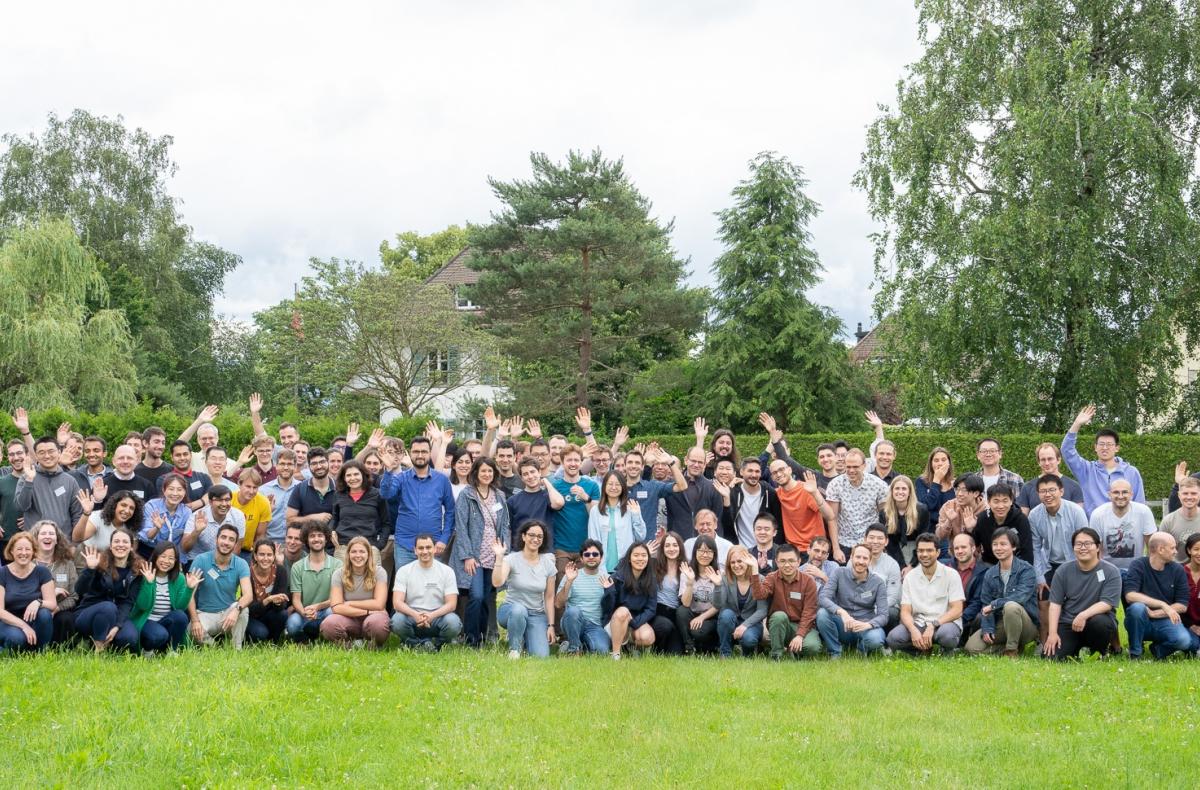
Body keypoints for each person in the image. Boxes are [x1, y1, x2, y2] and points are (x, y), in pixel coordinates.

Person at [451, 456, 511, 648]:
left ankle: (482, 638)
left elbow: (505, 525)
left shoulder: (499, 495)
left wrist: (503, 552)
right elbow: (460, 526)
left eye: (490, 471)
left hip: (494, 556)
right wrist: (467, 556)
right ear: (475, 472)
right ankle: (471, 639)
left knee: (487, 597)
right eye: (483, 471)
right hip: (474, 556)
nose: (486, 474)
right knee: (475, 596)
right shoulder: (467, 495)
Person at [1042, 527, 1122, 659]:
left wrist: (1083, 615)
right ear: (1073, 548)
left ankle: (1099, 652)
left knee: (1100, 623)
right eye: (1078, 544)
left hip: (1095, 621)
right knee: (1051, 658)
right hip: (1068, 623)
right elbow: (1055, 604)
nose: (1083, 547)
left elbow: (1107, 603)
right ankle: (1075, 649)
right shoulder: (1063, 571)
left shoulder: (1111, 571)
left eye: (1088, 544)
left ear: (1097, 547)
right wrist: (1052, 634)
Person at [378, 438, 455, 567]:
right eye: (416, 451)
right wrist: (388, 470)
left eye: (424, 451)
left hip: (433, 546)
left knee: (432, 585)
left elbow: (450, 511)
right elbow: (386, 494)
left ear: (430, 453)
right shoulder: (400, 478)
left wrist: (444, 539)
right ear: (410, 453)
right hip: (405, 545)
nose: (420, 455)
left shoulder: (441, 480)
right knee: (404, 585)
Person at [964, 528, 1039, 656]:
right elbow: (985, 603)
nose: (998, 548)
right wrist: (987, 627)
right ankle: (1009, 647)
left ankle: (1011, 650)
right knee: (971, 648)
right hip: (1002, 623)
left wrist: (995, 605)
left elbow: (1020, 597)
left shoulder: (1026, 570)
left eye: (1003, 544)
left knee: (1011, 606)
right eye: (995, 544)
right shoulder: (990, 573)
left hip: (1026, 624)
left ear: (1013, 547)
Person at [886, 533, 965, 654]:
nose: (924, 554)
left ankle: (945, 650)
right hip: (919, 623)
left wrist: (933, 625)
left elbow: (957, 609)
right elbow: (905, 611)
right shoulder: (910, 577)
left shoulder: (951, 574)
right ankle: (922, 648)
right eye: (920, 550)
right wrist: (913, 630)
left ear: (938, 552)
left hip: (943, 623)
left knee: (947, 636)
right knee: (893, 639)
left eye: (929, 550)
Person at [1062, 405, 1145, 515]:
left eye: (1109, 444)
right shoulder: (1086, 470)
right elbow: (1067, 450)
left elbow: (1140, 504)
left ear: (1117, 448)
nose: (1105, 448)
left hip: (1124, 528)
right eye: (1101, 444)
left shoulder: (1131, 472)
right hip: (1094, 528)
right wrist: (1077, 424)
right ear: (1095, 447)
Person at [1123, 532, 1193, 660]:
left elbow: (1182, 605)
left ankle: (1158, 650)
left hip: (1165, 620)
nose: (1176, 551)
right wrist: (1162, 604)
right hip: (1141, 620)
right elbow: (1130, 595)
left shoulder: (1178, 570)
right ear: (1160, 549)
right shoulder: (1138, 565)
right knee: (1137, 608)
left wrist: (1157, 613)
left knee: (1184, 641)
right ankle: (1135, 653)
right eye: (1172, 548)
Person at [492, 520, 557, 658]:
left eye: (540, 536)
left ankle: (525, 637)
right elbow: (497, 582)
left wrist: (551, 625)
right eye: (531, 535)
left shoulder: (548, 564)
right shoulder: (511, 559)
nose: (535, 539)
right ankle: (514, 650)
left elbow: (549, 597)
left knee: (541, 656)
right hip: (511, 610)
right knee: (519, 610)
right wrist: (499, 558)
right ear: (523, 536)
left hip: (536, 614)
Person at [390, 533, 463, 650]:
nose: (425, 551)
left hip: (437, 617)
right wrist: (415, 615)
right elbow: (397, 603)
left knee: (453, 623)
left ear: (434, 549)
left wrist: (431, 616)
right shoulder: (404, 571)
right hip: (412, 616)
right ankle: (415, 644)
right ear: (415, 550)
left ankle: (436, 644)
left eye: (428, 547)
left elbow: (451, 604)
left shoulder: (447, 571)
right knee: (397, 621)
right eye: (420, 548)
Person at [815, 544, 888, 658]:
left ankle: (861, 651)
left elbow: (883, 615)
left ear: (870, 561)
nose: (861, 561)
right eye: (858, 557)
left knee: (876, 639)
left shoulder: (878, 582)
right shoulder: (839, 573)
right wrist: (842, 612)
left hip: (865, 626)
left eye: (865, 558)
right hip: (843, 624)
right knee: (822, 614)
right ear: (851, 558)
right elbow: (823, 597)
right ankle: (835, 652)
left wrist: (868, 624)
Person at [73, 530, 140, 653]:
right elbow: (79, 590)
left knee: (129, 638)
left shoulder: (135, 572)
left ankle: (107, 643)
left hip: (116, 616)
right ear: (110, 546)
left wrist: (117, 626)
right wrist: (90, 570)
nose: (120, 544)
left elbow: (128, 602)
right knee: (108, 607)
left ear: (131, 547)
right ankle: (99, 649)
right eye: (116, 541)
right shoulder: (99, 564)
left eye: (125, 542)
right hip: (88, 615)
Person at [188, 524, 253, 648]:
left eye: (231, 539)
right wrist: (195, 621)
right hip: (206, 614)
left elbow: (248, 595)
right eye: (223, 537)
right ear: (216, 539)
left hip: (228, 613)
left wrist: (236, 610)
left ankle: (236, 649)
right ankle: (215, 647)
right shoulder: (200, 560)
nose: (226, 542)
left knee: (243, 609)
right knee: (191, 629)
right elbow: (189, 594)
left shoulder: (241, 563)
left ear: (235, 544)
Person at [752, 543, 822, 660]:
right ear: (777, 562)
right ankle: (777, 655)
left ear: (799, 562)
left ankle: (792, 649)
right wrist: (754, 571)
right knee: (779, 616)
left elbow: (809, 612)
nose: (787, 565)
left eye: (791, 561)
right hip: (779, 625)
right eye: (782, 561)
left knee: (812, 648)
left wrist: (800, 635)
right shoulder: (772, 578)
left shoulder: (808, 581)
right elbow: (759, 595)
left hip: (802, 625)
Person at [320, 536, 390, 648]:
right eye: (354, 552)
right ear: (348, 555)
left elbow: (379, 604)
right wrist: (368, 611)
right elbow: (337, 607)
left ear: (369, 554)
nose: (358, 555)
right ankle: (349, 645)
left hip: (374, 617)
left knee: (378, 625)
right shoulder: (338, 574)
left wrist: (350, 603)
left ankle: (373, 645)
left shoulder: (379, 572)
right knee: (328, 625)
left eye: (362, 551)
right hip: (349, 617)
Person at [131, 543, 200, 653]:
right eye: (163, 556)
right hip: (147, 620)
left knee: (181, 616)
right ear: (156, 556)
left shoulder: (180, 578)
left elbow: (179, 607)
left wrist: (189, 589)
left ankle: (172, 650)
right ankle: (147, 650)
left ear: (175, 561)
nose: (166, 561)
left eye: (171, 558)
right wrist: (148, 583)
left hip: (165, 620)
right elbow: (143, 606)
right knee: (159, 635)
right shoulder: (145, 574)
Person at [824, 449, 888, 563]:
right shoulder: (835, 484)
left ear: (864, 465)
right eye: (848, 467)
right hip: (844, 543)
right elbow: (832, 518)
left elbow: (884, 517)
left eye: (855, 467)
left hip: (870, 544)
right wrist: (836, 549)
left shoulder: (879, 485)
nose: (851, 470)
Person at [550, 445, 601, 577]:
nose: (573, 464)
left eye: (576, 460)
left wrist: (586, 498)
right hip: (561, 548)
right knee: (561, 587)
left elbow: (596, 515)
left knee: (583, 589)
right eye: (569, 460)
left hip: (585, 548)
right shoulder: (555, 486)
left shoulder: (591, 485)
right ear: (562, 463)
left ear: (581, 462)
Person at [0, 532, 56, 652]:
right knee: (17, 639)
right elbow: (0, 611)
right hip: (8, 622)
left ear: (33, 552)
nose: (24, 553)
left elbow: (52, 604)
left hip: (33, 621)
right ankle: (7, 649)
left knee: (45, 614)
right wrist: (23, 626)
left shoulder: (42, 572)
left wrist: (38, 602)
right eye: (19, 549)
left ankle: (40, 652)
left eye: (28, 549)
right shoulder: (2, 573)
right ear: (11, 551)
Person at [601, 542, 657, 659]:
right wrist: (609, 592)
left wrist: (634, 622)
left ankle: (630, 648)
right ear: (629, 559)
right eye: (636, 555)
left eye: (643, 555)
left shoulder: (651, 579)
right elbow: (607, 609)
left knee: (647, 637)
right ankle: (616, 654)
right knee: (623, 611)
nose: (640, 558)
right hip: (616, 622)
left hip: (635, 621)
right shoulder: (616, 577)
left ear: (648, 558)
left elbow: (651, 609)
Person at [15, 436, 83, 534]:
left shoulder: (70, 481)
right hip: (34, 542)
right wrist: (29, 481)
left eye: (51, 451)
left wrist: (73, 544)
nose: (47, 456)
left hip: (63, 543)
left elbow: (77, 514)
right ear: (36, 456)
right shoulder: (26, 477)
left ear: (59, 452)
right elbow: (21, 507)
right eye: (41, 452)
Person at [287, 523, 342, 642]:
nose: (316, 539)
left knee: (333, 611)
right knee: (292, 625)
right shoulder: (298, 566)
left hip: (327, 610)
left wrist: (317, 607)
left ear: (326, 538)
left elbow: (337, 598)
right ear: (306, 540)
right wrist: (304, 612)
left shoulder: (337, 565)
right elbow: (296, 599)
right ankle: (306, 640)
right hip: (305, 611)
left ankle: (326, 636)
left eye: (320, 535)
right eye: (312, 536)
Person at [557, 538, 612, 655]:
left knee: (602, 652)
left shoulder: (607, 578)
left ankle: (577, 645)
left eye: (595, 554)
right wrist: (569, 581)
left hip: (595, 626)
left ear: (601, 558)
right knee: (573, 611)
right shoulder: (572, 575)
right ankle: (574, 650)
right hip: (573, 621)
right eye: (587, 554)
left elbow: (611, 607)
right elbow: (558, 604)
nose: (591, 557)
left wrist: (609, 591)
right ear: (581, 559)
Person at [767, 464, 832, 561]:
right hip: (792, 551)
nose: (779, 474)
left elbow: (829, 515)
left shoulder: (806, 489)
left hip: (814, 549)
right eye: (774, 472)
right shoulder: (777, 494)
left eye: (781, 469)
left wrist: (815, 493)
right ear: (772, 477)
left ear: (790, 470)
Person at [1088, 479, 1156, 571]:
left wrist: (1148, 570)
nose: (1120, 496)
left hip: (1136, 569)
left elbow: (1151, 544)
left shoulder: (1143, 512)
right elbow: (1096, 549)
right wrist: (1101, 572)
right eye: (1116, 492)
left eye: (1125, 492)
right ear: (1109, 494)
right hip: (1107, 570)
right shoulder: (1098, 514)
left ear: (1131, 494)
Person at [714, 545, 767, 658]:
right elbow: (718, 605)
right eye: (732, 562)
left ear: (747, 561)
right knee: (726, 615)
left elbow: (762, 610)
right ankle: (725, 654)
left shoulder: (760, 579)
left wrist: (744, 625)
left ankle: (747, 654)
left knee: (749, 639)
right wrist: (717, 586)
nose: (736, 565)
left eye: (740, 561)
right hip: (730, 621)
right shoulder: (724, 579)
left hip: (751, 623)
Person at [587, 471, 646, 573]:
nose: (614, 487)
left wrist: (637, 515)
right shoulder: (595, 511)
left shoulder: (630, 509)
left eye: (618, 484)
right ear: (604, 486)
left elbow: (641, 537)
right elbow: (593, 540)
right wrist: (599, 566)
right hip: (602, 568)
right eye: (610, 484)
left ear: (623, 487)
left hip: (626, 568)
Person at [623, 445, 686, 539]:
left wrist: (670, 462)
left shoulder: (653, 486)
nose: (633, 465)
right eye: (630, 462)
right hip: (624, 545)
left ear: (642, 466)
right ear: (624, 465)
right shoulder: (617, 488)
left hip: (648, 546)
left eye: (637, 463)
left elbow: (682, 486)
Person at [718, 457, 781, 549]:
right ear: (741, 472)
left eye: (757, 471)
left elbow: (778, 522)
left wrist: (776, 549)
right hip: (742, 550)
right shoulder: (733, 493)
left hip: (766, 550)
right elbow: (727, 524)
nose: (754, 475)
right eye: (750, 471)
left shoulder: (769, 492)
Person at [663, 447, 724, 540]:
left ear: (705, 464)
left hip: (703, 544)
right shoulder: (671, 486)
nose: (696, 465)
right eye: (693, 461)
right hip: (677, 543)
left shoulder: (713, 488)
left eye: (700, 462)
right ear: (686, 460)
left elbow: (718, 521)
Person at [31, 521, 77, 642]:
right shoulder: (28, 563)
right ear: (35, 539)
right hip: (32, 610)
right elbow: (22, 594)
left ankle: (59, 652)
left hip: (59, 611)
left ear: (57, 540)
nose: (47, 536)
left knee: (66, 618)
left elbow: (73, 596)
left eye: (51, 533)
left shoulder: (67, 565)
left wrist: (56, 608)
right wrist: (51, 594)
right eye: (43, 533)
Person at [677, 534, 722, 654]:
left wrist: (702, 617)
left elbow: (720, 604)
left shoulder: (720, 573)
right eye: (701, 551)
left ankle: (711, 647)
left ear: (714, 554)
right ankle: (689, 648)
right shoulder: (687, 572)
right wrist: (690, 582)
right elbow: (686, 603)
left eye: (708, 551)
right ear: (695, 552)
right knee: (681, 611)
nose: (705, 555)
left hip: (711, 616)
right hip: (692, 613)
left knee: (698, 632)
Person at [506, 458, 565, 547]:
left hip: (545, 550)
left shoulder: (548, 496)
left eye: (532, 472)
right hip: (521, 551)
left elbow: (558, 503)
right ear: (521, 478)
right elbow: (508, 529)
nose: (530, 476)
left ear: (539, 472)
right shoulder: (512, 501)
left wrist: (546, 482)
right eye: (525, 474)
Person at [972, 483, 1033, 565]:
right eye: (996, 501)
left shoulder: (1020, 519)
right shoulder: (983, 518)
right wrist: (970, 529)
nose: (1001, 506)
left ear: (1011, 501)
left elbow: (1026, 551)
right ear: (989, 502)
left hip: (1014, 564)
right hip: (989, 563)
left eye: (1005, 501)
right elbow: (974, 544)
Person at [1016, 442, 1084, 515]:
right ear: (1039, 462)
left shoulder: (1074, 486)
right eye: (1043, 460)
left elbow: (1078, 515)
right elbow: (1023, 518)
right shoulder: (1027, 487)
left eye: (1050, 459)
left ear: (1058, 460)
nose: (1047, 463)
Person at [182, 485, 244, 564]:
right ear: (210, 502)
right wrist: (196, 531)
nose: (224, 504)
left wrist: (224, 565)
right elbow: (185, 548)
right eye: (219, 500)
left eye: (227, 500)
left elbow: (237, 547)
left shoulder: (238, 516)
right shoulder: (197, 516)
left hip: (225, 560)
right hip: (198, 559)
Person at [139, 474, 196, 561]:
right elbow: (146, 537)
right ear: (164, 490)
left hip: (173, 556)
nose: (175, 493)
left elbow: (183, 543)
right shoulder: (152, 506)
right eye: (171, 489)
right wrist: (156, 528)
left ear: (184, 492)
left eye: (179, 490)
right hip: (150, 552)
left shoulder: (186, 512)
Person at [946, 532, 990, 641]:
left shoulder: (984, 571)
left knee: (980, 616)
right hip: (944, 614)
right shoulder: (945, 568)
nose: (960, 551)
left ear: (973, 548)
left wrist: (958, 619)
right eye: (956, 548)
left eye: (963, 547)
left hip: (967, 618)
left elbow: (977, 603)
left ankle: (965, 640)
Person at [286, 447, 338, 540]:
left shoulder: (340, 488)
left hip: (334, 545)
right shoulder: (300, 489)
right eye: (314, 463)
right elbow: (289, 521)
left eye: (322, 462)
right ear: (308, 467)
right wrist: (313, 518)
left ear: (328, 463)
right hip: (307, 544)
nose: (319, 466)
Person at [246, 539, 290, 644]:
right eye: (262, 554)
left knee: (282, 614)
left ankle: (274, 641)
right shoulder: (247, 573)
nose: (266, 558)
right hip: (251, 616)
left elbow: (281, 606)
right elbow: (249, 608)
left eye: (269, 555)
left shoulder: (280, 571)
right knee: (260, 634)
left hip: (270, 613)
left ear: (274, 556)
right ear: (255, 556)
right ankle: (250, 637)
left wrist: (278, 602)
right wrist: (268, 600)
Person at [650, 532, 687, 655]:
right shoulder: (654, 565)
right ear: (663, 548)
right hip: (657, 611)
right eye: (667, 546)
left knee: (676, 654)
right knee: (665, 626)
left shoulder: (686, 568)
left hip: (675, 614)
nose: (671, 549)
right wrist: (647, 554)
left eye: (675, 545)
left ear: (680, 547)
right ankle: (654, 649)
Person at [75, 489, 143, 553]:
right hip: (87, 557)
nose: (127, 511)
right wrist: (86, 513)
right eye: (123, 505)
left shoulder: (132, 526)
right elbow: (77, 538)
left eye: (131, 508)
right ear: (114, 505)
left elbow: (131, 552)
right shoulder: (98, 517)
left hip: (113, 561)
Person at [881, 475, 928, 567]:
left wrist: (912, 565)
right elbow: (890, 543)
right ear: (892, 491)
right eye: (897, 488)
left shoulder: (921, 510)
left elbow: (923, 539)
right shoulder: (885, 513)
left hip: (918, 551)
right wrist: (901, 565)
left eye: (904, 489)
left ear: (910, 492)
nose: (900, 492)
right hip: (894, 552)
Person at [935, 474, 986, 558]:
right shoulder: (949, 506)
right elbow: (939, 536)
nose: (959, 494)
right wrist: (949, 522)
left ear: (976, 493)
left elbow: (989, 540)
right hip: (955, 556)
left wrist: (972, 530)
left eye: (964, 490)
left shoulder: (986, 509)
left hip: (981, 558)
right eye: (957, 489)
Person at [260, 449, 302, 547]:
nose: (286, 467)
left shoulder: (303, 489)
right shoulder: (263, 490)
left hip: (297, 543)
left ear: (295, 466)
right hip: (269, 543)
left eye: (290, 464)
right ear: (276, 465)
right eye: (282, 464)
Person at [864, 525, 902, 627]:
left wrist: (874, 610)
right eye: (871, 537)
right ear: (865, 539)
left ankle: (886, 637)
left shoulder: (892, 564)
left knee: (892, 612)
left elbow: (892, 597)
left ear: (886, 542)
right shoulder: (855, 560)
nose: (875, 542)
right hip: (860, 606)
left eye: (880, 538)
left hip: (883, 607)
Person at [231, 470, 274, 556]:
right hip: (226, 546)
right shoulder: (229, 499)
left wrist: (255, 557)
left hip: (246, 550)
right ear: (239, 484)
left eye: (255, 488)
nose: (251, 491)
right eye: (248, 486)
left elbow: (260, 535)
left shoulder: (263, 503)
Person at [162, 440, 211, 508]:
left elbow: (211, 496)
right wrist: (202, 501)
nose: (182, 458)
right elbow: (165, 505)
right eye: (178, 455)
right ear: (172, 457)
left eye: (185, 454)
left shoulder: (204, 478)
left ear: (191, 455)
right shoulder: (163, 479)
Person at [915, 447, 955, 532]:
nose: (940, 463)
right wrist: (936, 480)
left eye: (943, 460)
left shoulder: (955, 484)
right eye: (936, 460)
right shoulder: (921, 482)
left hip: (950, 531)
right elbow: (926, 506)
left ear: (949, 463)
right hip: (929, 532)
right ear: (931, 464)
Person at [1161, 476, 1200, 560]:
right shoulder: (1168, 521)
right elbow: (1162, 552)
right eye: (1185, 493)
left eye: (1194, 493)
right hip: (1176, 571)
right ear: (1179, 495)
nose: (1189, 497)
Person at [1183, 533, 1200, 651]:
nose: (1199, 553)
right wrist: (1191, 625)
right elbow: (1174, 604)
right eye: (1196, 549)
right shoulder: (1179, 573)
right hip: (1184, 623)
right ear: (1189, 550)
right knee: (1192, 645)